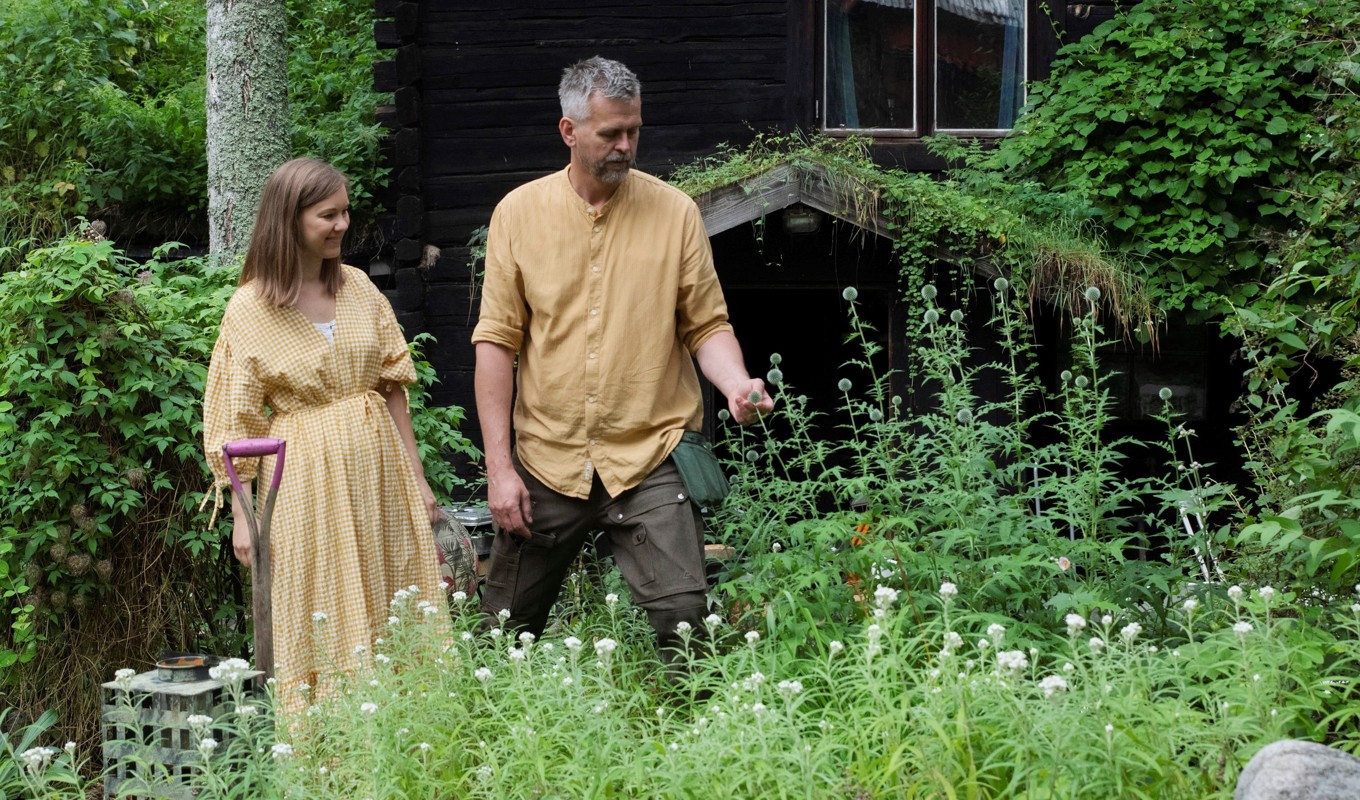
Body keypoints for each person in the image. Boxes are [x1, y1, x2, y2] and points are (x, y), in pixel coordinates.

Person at [471, 57, 774, 670]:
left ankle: (687, 747)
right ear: (569, 131)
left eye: (633, 130)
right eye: (610, 133)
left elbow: (706, 325)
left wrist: (737, 384)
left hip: (648, 452)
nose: (626, 145)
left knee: (687, 622)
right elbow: (496, 344)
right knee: (502, 631)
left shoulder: (676, 213)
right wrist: (500, 471)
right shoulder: (518, 214)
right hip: (547, 458)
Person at [202, 157, 445, 714]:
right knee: (321, 603)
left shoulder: (358, 287)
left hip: (379, 472)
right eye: (327, 215)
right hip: (303, 481)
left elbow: (392, 388)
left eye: (346, 213)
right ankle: (328, 757)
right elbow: (234, 424)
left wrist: (419, 480)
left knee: (394, 594)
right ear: (290, 220)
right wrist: (243, 516)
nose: (342, 225)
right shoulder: (250, 308)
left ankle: (409, 738)